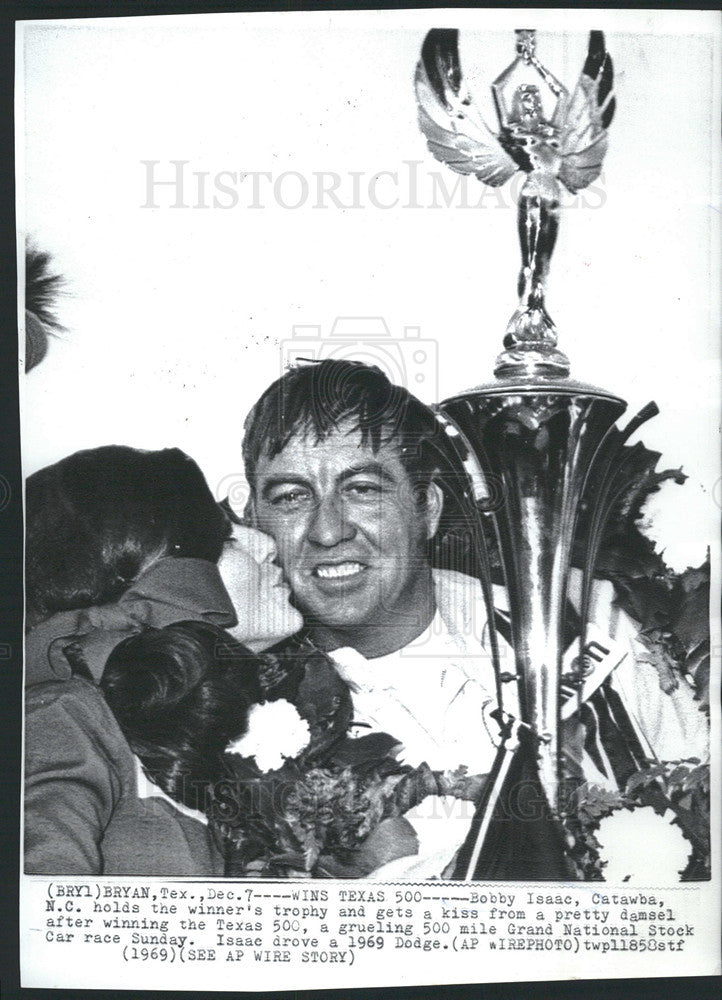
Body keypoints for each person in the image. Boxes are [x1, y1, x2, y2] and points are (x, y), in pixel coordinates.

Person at [241, 359, 709, 876]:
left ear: (429, 510)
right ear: (258, 525)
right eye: (290, 497)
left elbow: (702, 791)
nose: (327, 532)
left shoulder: (582, 617)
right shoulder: (247, 715)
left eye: (363, 489)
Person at [24, 445, 302, 875]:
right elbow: (36, 920)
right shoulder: (61, 719)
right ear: (148, 584)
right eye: (226, 540)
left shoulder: (216, 716)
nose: (265, 544)